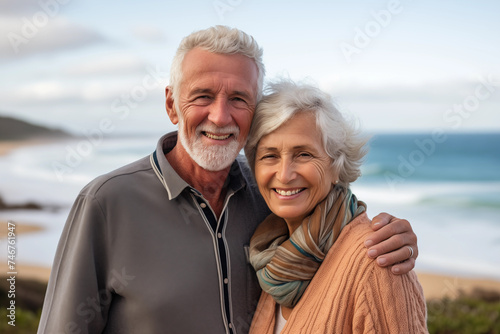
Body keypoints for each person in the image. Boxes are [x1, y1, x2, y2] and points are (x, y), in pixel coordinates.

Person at [37, 26, 419, 334]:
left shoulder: (271, 198)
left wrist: (394, 235)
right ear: (171, 104)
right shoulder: (107, 203)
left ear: (255, 112)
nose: (220, 117)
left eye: (238, 98)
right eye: (202, 95)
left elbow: (336, 214)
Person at [245, 80, 427, 333]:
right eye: (270, 156)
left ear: (336, 166)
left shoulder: (377, 259)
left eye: (304, 154)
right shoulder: (272, 254)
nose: (284, 175)